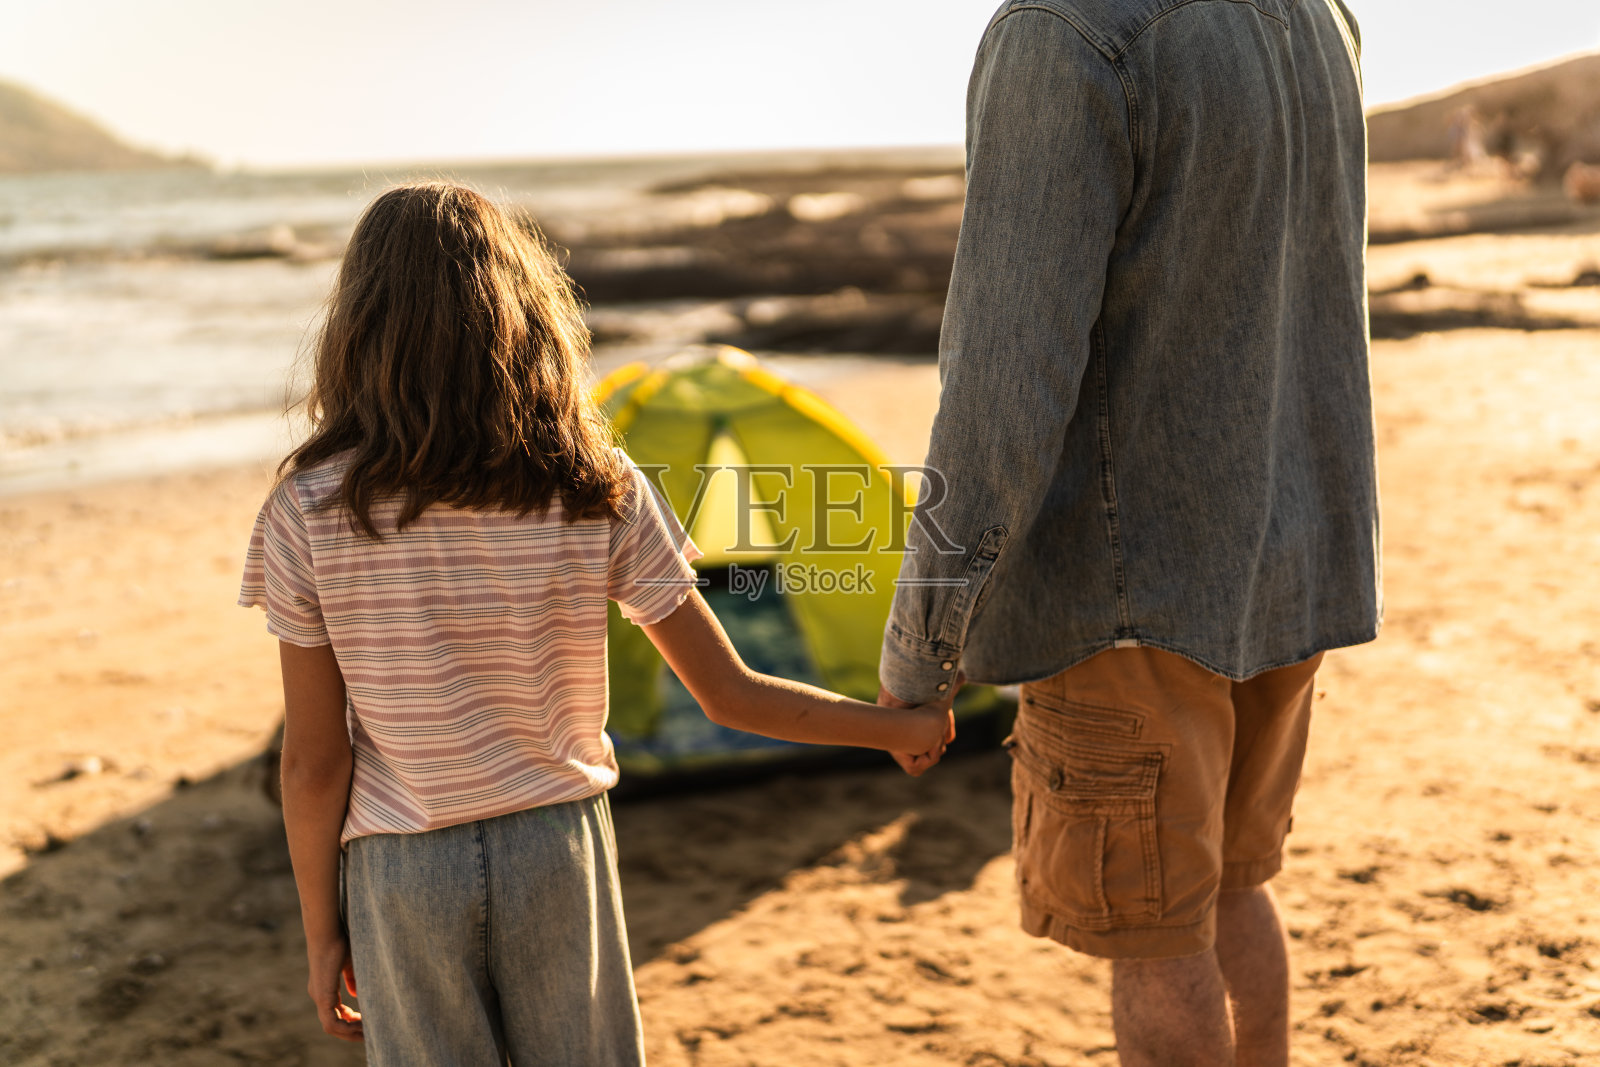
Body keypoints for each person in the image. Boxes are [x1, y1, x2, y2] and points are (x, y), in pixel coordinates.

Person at [239, 182, 954, 1065]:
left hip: (401, 865)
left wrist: (322, 933)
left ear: (361, 325)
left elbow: (314, 764)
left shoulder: (309, 508)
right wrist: (895, 726)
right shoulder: (592, 485)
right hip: (556, 846)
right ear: (520, 314)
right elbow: (730, 694)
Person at [878, 2, 1377, 1065]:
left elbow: (1003, 384)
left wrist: (921, 645)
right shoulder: (1312, 15)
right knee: (1229, 885)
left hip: (1126, 584)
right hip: (1291, 552)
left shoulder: (1065, 29)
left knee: (1155, 932)